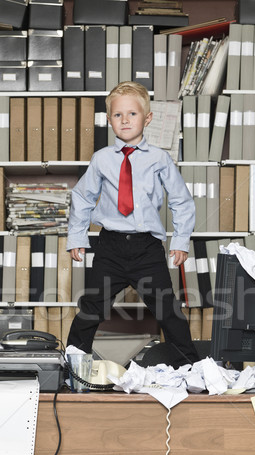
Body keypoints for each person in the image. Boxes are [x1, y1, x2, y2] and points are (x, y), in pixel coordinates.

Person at [66, 81, 199, 367]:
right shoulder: (101, 159)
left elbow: (182, 201)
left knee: (168, 310)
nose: (125, 120)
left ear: (147, 118)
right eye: (117, 115)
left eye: (132, 114)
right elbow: (82, 196)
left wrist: (179, 242)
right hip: (109, 246)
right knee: (91, 308)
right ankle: (71, 368)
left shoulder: (159, 159)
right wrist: (77, 237)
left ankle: (191, 368)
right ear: (109, 119)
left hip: (147, 249)